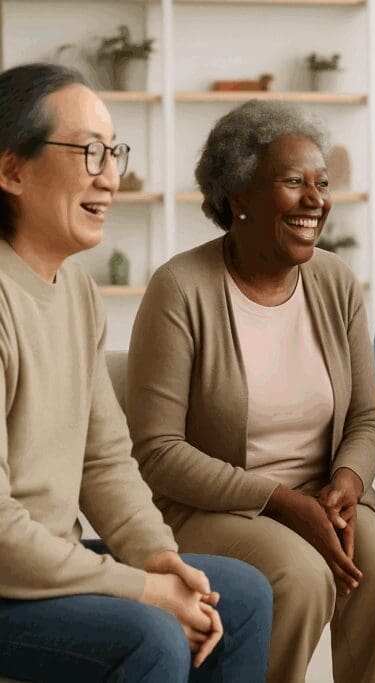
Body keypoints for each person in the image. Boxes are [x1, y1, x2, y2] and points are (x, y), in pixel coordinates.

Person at [0, 63, 272, 683]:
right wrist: (138, 589)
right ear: (12, 170)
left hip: (50, 567)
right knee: (149, 634)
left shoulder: (77, 290)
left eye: (114, 151)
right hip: (6, 580)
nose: (111, 175)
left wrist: (161, 562)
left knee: (242, 597)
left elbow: (105, 461)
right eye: (89, 151)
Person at [125, 99, 375, 683]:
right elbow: (158, 452)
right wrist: (281, 502)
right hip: (216, 506)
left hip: (322, 494)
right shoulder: (180, 287)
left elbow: (368, 415)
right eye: (293, 182)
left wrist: (347, 484)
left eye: (322, 183)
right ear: (239, 198)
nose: (316, 200)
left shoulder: (335, 281)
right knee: (300, 577)